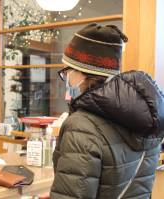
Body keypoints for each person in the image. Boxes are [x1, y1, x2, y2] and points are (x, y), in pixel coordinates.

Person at [51, 23, 164, 199]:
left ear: (84, 73)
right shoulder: (149, 118)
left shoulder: (82, 125)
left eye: (67, 71)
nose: (66, 78)